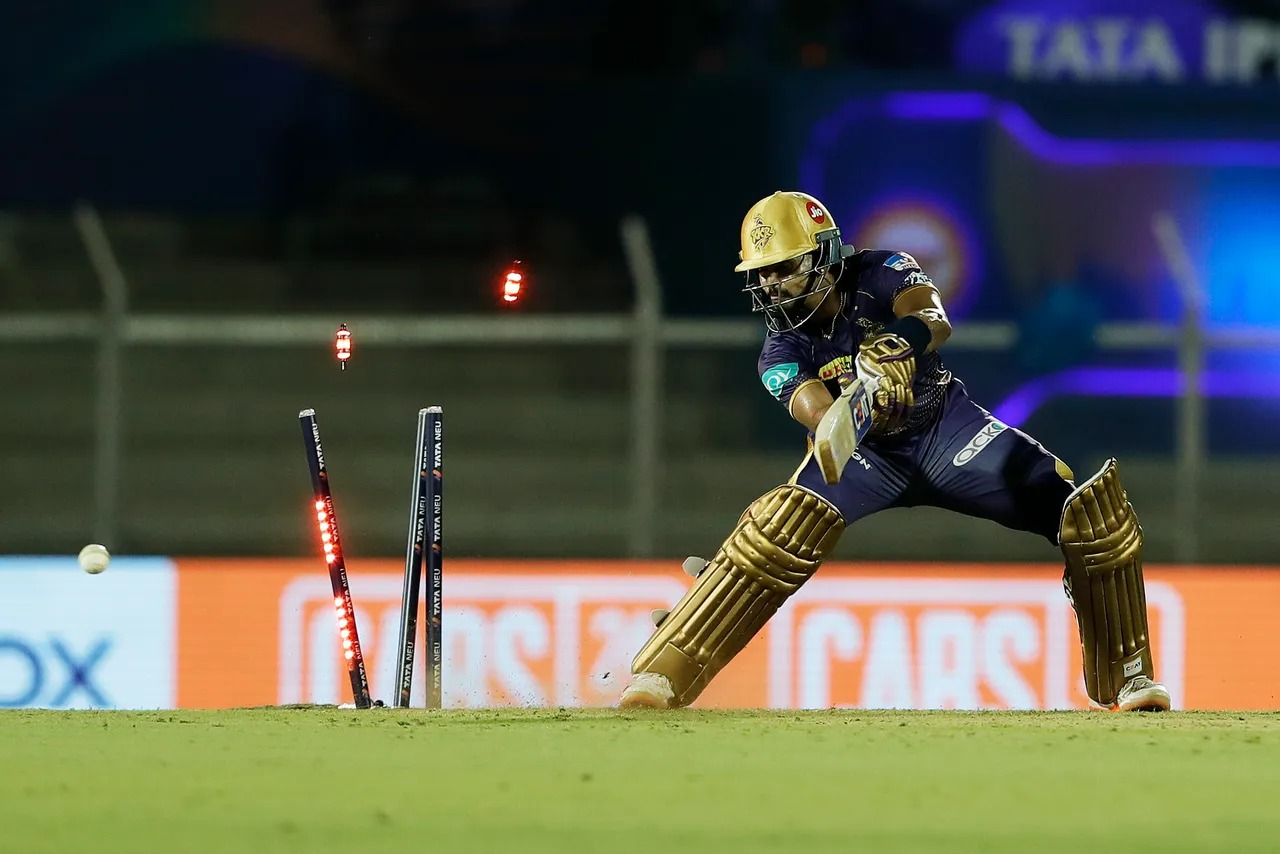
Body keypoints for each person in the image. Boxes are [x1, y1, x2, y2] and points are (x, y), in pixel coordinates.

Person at [619, 191, 1171, 713]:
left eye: (784, 268)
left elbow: (931, 316)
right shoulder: (779, 351)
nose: (772, 285)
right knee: (778, 530)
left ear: (825, 257)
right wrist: (858, 403)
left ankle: (1128, 676)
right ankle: (665, 672)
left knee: (1089, 517)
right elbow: (819, 416)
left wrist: (896, 345)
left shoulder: (880, 270)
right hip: (864, 457)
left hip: (945, 430)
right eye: (762, 274)